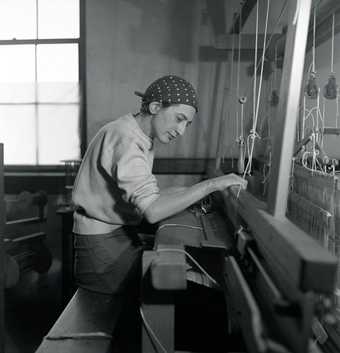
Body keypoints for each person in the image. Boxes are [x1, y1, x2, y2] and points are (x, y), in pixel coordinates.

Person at [72, 74, 247, 295]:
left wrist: (192, 193)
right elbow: (153, 211)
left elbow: (150, 194)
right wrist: (211, 185)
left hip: (113, 234)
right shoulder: (127, 140)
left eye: (187, 123)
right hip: (101, 242)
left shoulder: (134, 133)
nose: (181, 130)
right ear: (155, 107)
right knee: (123, 309)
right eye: (179, 118)